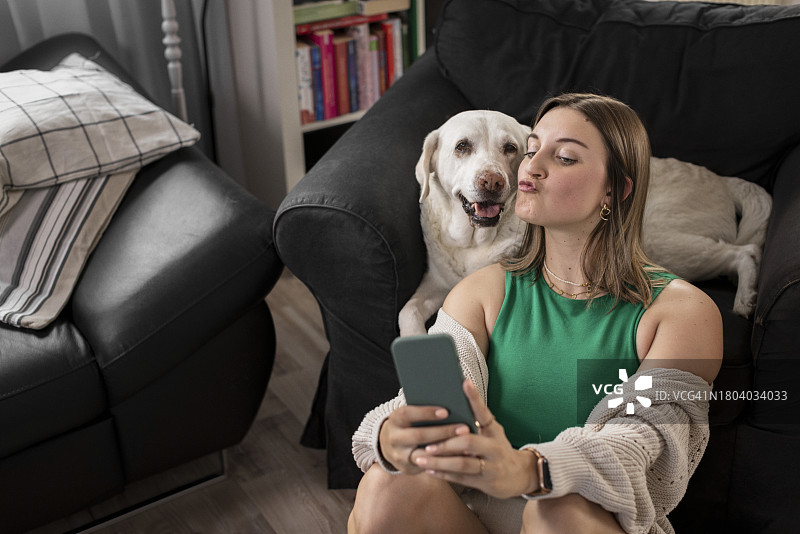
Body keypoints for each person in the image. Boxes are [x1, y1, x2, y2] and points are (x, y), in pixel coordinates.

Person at [348, 93, 723, 534]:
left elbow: (642, 445)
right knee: (385, 485)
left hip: (583, 522)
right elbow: (426, 405)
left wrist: (530, 470)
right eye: (530, 149)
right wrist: (395, 438)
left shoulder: (680, 313)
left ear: (614, 190)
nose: (529, 167)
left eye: (563, 157)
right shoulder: (480, 293)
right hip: (473, 519)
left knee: (554, 511)